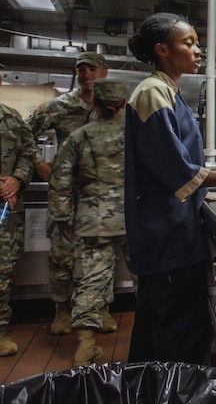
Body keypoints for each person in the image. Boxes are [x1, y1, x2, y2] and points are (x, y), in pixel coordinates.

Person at [124, 12, 216, 365]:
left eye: (197, 44)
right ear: (162, 49)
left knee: (155, 330)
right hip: (166, 237)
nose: (197, 51)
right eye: (188, 43)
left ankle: (144, 391)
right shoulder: (153, 93)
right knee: (178, 333)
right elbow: (177, 171)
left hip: (169, 234)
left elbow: (182, 164)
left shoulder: (168, 91)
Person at [25, 51, 115, 335]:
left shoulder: (115, 107)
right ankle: (62, 310)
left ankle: (101, 308)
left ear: (104, 73)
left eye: (92, 70)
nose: (87, 75)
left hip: (102, 198)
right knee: (63, 255)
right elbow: (23, 132)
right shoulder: (59, 107)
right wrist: (37, 162)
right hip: (67, 194)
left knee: (102, 254)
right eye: (81, 71)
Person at [49, 79, 131, 366]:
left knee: (89, 282)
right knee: (147, 281)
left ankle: (85, 346)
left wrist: (63, 219)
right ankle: (150, 340)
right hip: (134, 220)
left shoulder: (79, 137)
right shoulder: (137, 136)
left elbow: (60, 182)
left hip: (91, 220)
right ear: (124, 104)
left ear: (94, 104)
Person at [0, 63, 38, 356]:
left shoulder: (11, 119)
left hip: (6, 210)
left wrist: (17, 179)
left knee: (3, 271)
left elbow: (28, 152)